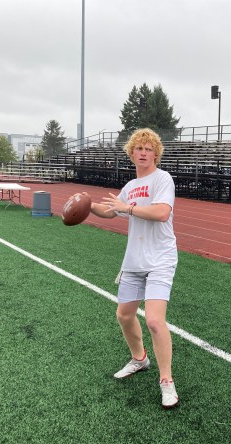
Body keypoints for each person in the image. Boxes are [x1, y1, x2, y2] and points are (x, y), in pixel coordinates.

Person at [88, 128, 179, 409]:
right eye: (138, 148)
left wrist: (126, 208)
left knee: (153, 320)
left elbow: (161, 213)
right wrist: (85, 205)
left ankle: (167, 381)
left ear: (155, 153)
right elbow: (110, 210)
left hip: (161, 259)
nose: (143, 152)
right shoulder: (129, 187)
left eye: (148, 148)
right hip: (135, 260)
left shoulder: (163, 179)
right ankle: (140, 359)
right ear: (131, 153)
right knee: (124, 315)